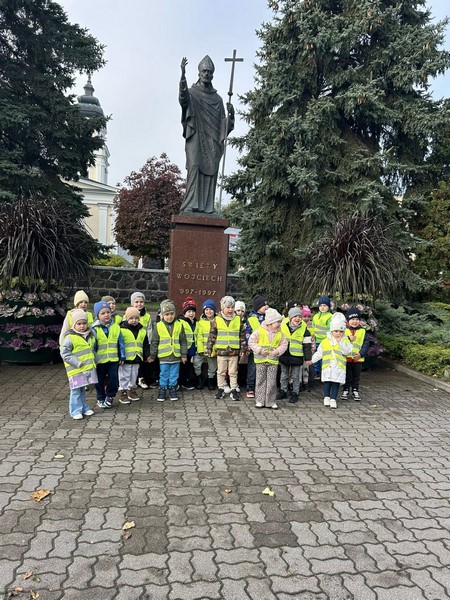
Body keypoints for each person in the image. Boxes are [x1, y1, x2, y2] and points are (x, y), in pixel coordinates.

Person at [179, 55, 235, 213]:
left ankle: (208, 207)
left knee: (211, 172)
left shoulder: (218, 99)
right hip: (195, 134)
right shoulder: (192, 93)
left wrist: (231, 114)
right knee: (194, 166)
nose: (206, 74)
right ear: (199, 73)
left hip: (212, 140)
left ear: (213, 75)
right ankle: (191, 204)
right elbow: (183, 99)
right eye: (204, 71)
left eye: (209, 72)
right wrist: (183, 76)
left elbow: (223, 125)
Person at [206, 296, 246, 401]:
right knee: (221, 371)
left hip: (234, 351)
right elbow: (212, 335)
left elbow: (242, 336)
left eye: (232, 307)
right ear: (223, 307)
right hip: (221, 351)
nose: (230, 310)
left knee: (233, 372)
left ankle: (233, 389)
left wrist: (243, 349)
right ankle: (221, 388)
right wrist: (209, 348)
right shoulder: (217, 319)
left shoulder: (238, 319)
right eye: (228, 307)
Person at [60, 309, 97, 420]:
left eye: (84, 323)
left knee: (82, 390)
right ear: (74, 324)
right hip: (75, 369)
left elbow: (92, 351)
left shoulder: (89, 335)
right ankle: (75, 410)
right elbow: (64, 353)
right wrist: (77, 362)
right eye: (79, 324)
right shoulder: (70, 337)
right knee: (76, 390)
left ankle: (84, 407)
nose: (82, 326)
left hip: (86, 368)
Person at [248, 308, 288, 410]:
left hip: (273, 361)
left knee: (272, 382)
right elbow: (251, 342)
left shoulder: (280, 334)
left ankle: (270, 401)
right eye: (277, 322)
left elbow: (284, 344)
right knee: (260, 380)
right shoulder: (259, 331)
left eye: (279, 322)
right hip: (260, 360)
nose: (279, 324)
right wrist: (259, 350)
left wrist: (277, 351)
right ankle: (260, 400)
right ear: (269, 323)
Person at [149, 299, 188, 402]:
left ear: (175, 314)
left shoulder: (179, 325)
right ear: (162, 315)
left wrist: (184, 355)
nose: (169, 316)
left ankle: (172, 388)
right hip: (164, 356)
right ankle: (162, 389)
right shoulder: (158, 326)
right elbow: (154, 342)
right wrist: (152, 355)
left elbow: (183, 341)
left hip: (176, 356)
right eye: (167, 314)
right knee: (164, 374)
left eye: (171, 314)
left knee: (174, 374)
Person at [311, 313, 352, 409]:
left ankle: (333, 399)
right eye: (336, 331)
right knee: (327, 382)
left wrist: (340, 343)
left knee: (335, 383)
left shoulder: (345, 341)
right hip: (327, 366)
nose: (338, 333)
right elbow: (319, 353)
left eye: (341, 331)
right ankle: (326, 397)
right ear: (331, 331)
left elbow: (347, 351)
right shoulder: (325, 341)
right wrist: (312, 360)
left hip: (339, 367)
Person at [91, 301, 125, 409]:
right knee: (99, 380)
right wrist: (92, 359)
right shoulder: (94, 328)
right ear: (98, 315)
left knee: (114, 379)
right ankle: (100, 397)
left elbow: (121, 343)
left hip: (113, 359)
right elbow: (92, 345)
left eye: (108, 312)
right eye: (103, 313)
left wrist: (122, 356)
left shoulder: (116, 327)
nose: (106, 315)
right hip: (100, 360)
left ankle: (110, 395)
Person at [278, 307, 312, 404]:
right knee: (284, 374)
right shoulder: (282, 326)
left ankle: (295, 392)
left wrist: (308, 358)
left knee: (295, 376)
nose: (297, 318)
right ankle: (283, 391)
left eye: (299, 316)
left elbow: (307, 345)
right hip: (284, 354)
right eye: (295, 316)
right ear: (290, 317)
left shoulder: (304, 329)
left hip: (297, 355)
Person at [118, 307, 151, 405]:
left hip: (137, 357)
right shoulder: (121, 330)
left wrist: (147, 355)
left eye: (136, 318)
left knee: (134, 376)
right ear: (127, 318)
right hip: (125, 359)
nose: (134, 320)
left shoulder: (142, 330)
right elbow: (119, 345)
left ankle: (131, 389)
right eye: (131, 318)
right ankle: (123, 392)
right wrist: (120, 356)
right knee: (124, 376)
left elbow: (145, 345)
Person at [342, 307, 369, 401]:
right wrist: (348, 338)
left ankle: (355, 390)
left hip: (358, 359)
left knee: (356, 376)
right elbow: (340, 342)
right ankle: (345, 389)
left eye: (357, 319)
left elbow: (366, 344)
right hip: (347, 358)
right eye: (352, 319)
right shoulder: (344, 330)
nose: (355, 321)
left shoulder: (363, 331)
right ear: (348, 321)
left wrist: (361, 354)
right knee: (347, 375)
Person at [245, 295, 269, 398]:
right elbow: (247, 333)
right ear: (258, 306)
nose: (267, 307)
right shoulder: (252, 318)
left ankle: (261, 387)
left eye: (267, 304)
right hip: (254, 348)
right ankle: (250, 387)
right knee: (253, 368)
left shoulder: (268, 317)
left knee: (264, 369)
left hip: (266, 348)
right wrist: (249, 345)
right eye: (264, 305)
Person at [130, 292, 154, 389]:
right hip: (133, 343)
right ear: (132, 303)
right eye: (136, 302)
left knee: (143, 361)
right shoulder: (128, 314)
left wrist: (149, 341)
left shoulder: (147, 316)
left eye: (141, 302)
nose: (139, 304)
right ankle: (134, 379)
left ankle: (141, 378)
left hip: (143, 342)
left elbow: (149, 329)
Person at [193, 299, 217, 390]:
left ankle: (210, 380)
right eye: (206, 309)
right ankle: (200, 378)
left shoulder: (218, 321)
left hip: (212, 349)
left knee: (212, 366)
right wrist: (200, 349)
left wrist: (214, 349)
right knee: (196, 364)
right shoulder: (200, 322)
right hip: (202, 349)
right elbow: (199, 337)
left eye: (211, 309)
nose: (208, 311)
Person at [178, 296, 197, 390]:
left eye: (193, 311)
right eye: (189, 311)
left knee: (187, 366)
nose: (191, 313)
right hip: (184, 349)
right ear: (184, 313)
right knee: (182, 366)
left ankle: (185, 381)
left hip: (192, 349)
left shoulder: (195, 322)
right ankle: (180, 382)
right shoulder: (181, 322)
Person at [311, 296, 333, 379]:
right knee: (315, 358)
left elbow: (330, 329)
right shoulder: (316, 316)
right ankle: (316, 373)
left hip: (324, 341)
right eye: (320, 305)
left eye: (325, 305)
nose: (322, 307)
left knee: (324, 358)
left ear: (328, 307)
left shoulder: (330, 316)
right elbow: (313, 327)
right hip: (315, 340)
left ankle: (324, 373)